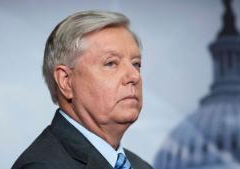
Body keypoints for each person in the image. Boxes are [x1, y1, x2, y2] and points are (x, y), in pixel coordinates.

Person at [12, 10, 152, 169]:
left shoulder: (142, 166)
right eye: (111, 63)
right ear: (66, 81)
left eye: (136, 64)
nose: (134, 76)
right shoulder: (42, 166)